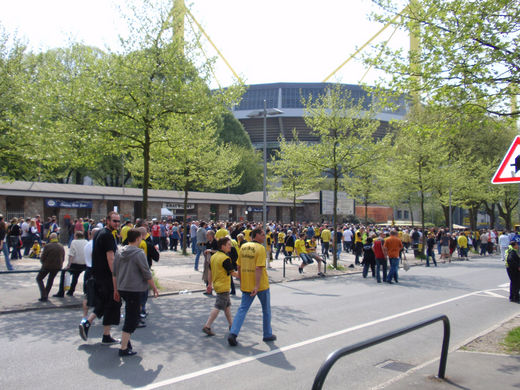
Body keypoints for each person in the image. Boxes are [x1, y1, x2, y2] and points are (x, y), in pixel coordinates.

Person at [112, 228, 158, 356]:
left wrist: (115, 289)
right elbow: (146, 272)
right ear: (137, 238)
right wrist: (154, 287)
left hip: (122, 287)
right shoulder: (138, 253)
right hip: (134, 288)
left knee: (129, 313)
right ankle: (123, 347)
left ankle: (127, 342)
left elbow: (114, 273)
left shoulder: (119, 251)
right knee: (132, 319)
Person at [228, 227, 276, 346]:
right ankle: (267, 334)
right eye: (262, 235)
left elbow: (238, 265)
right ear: (256, 236)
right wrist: (257, 285)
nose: (264, 237)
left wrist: (241, 279)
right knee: (266, 310)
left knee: (242, 309)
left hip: (246, 283)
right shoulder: (260, 248)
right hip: (261, 285)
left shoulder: (243, 247)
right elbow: (259, 268)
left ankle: (233, 333)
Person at [79, 212, 122, 344]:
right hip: (106, 277)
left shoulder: (99, 233)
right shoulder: (108, 236)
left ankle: (88, 323)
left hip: (97, 274)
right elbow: (111, 258)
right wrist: (115, 276)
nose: (117, 223)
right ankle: (105, 335)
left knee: (104, 303)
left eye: (118, 221)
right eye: (114, 221)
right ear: (108, 221)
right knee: (113, 303)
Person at [202, 237, 237, 336]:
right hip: (223, 286)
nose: (230, 246)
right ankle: (207, 326)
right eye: (228, 245)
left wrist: (209, 284)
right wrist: (244, 276)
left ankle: (231, 325)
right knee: (218, 306)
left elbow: (210, 271)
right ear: (223, 246)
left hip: (217, 284)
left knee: (227, 306)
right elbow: (232, 273)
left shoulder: (214, 256)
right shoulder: (225, 258)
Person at [54, 231, 88, 297]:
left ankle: (61, 292)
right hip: (84, 264)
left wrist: (68, 265)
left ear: (76, 236)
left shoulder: (74, 242)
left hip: (75, 263)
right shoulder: (86, 242)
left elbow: (71, 254)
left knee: (64, 273)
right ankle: (71, 291)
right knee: (76, 275)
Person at [35, 233, 65, 301]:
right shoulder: (61, 246)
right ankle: (46, 294)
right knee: (50, 280)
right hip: (58, 266)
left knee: (39, 279)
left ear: (50, 238)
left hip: (47, 266)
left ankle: (44, 295)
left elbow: (43, 257)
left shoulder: (48, 246)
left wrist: (43, 263)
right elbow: (63, 257)